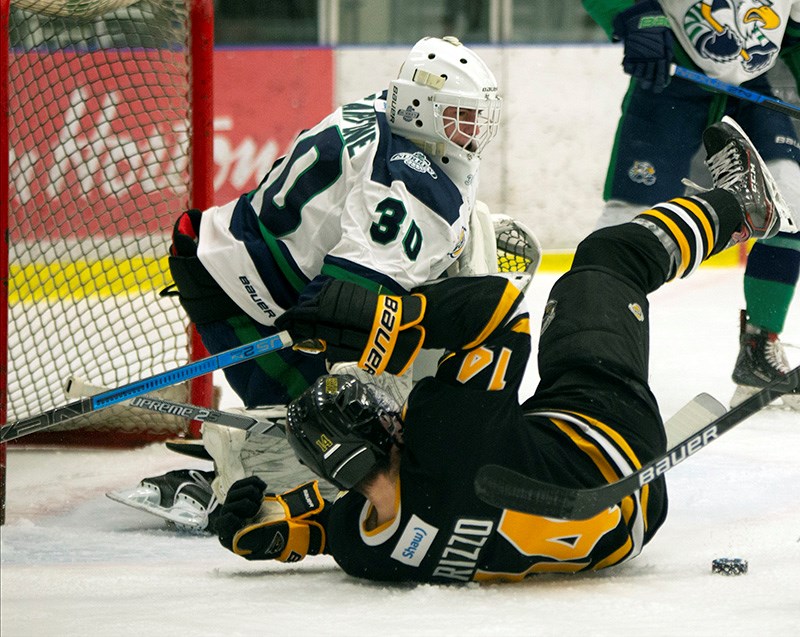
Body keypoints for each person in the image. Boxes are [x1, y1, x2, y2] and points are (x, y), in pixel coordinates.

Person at [211, 117, 796, 582]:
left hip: (622, 529)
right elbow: (500, 311)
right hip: (610, 447)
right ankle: (743, 207)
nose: (392, 412)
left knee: (503, 430)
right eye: (380, 415)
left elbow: (342, 515)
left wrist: (276, 525)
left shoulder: (370, 551)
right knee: (604, 262)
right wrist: (391, 317)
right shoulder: (443, 438)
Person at [107, 36, 509, 531]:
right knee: (350, 449)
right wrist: (353, 401)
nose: (472, 133)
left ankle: (273, 434)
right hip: (248, 301)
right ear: (423, 110)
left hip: (235, 258)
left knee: (376, 402)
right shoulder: (410, 185)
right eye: (459, 117)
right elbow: (345, 305)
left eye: (475, 117)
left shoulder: (390, 111)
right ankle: (228, 482)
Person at [582, 0, 800, 409]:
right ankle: (588, 349)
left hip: (755, 85)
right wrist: (633, 12)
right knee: (628, 218)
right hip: (673, 79)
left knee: (793, 199)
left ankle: (759, 348)